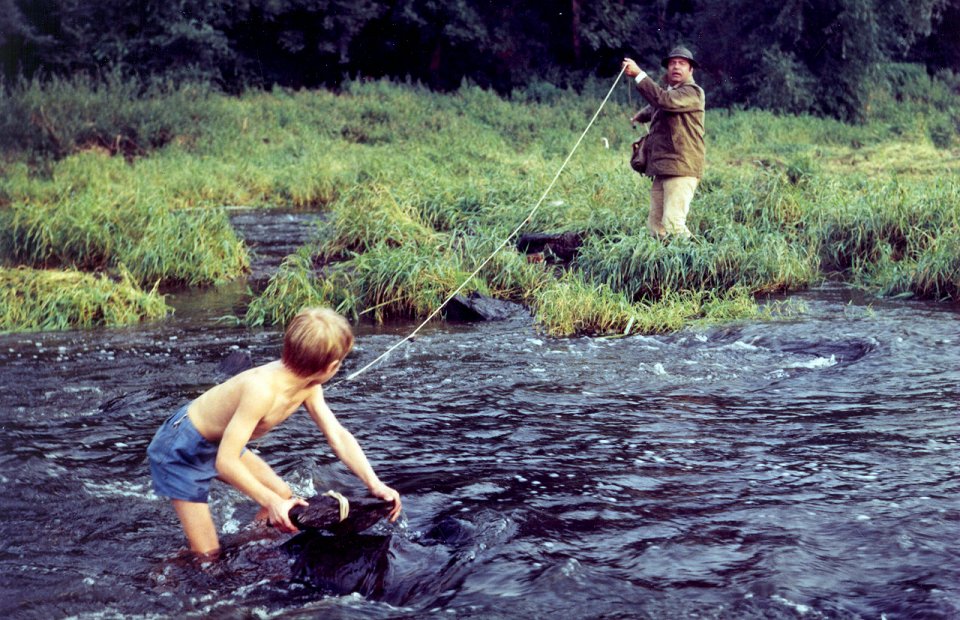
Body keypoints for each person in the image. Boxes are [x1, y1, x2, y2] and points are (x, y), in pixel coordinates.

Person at [147, 307, 402, 556]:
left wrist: (374, 483)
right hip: (180, 449)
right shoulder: (261, 390)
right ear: (331, 367)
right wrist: (271, 503)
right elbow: (226, 462)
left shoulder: (309, 386)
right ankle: (160, 576)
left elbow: (338, 436)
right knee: (207, 555)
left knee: (282, 494)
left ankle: (248, 547)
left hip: (217, 443)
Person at [622, 46, 706, 239]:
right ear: (668, 68)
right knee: (655, 226)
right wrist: (639, 116)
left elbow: (664, 101)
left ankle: (701, 264)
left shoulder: (692, 92)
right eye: (672, 63)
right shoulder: (672, 93)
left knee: (673, 224)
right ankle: (665, 266)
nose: (676, 67)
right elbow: (656, 107)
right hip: (662, 168)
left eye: (682, 64)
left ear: (690, 70)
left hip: (682, 167)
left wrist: (639, 74)